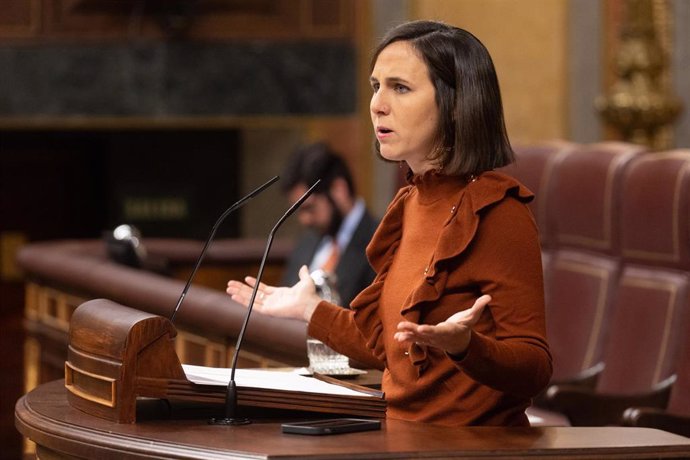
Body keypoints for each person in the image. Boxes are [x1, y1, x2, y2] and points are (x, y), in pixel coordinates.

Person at [228, 20, 552, 426]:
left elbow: (535, 369)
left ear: (455, 104)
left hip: (465, 449)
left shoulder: (498, 211)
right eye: (375, 86)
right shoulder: (409, 202)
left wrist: (466, 345)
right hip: (394, 435)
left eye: (400, 88)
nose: (377, 104)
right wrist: (309, 309)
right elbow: (390, 347)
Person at [280, 142, 378, 307]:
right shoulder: (308, 241)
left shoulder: (380, 241)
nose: (304, 220)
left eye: (309, 207)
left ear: (338, 189)